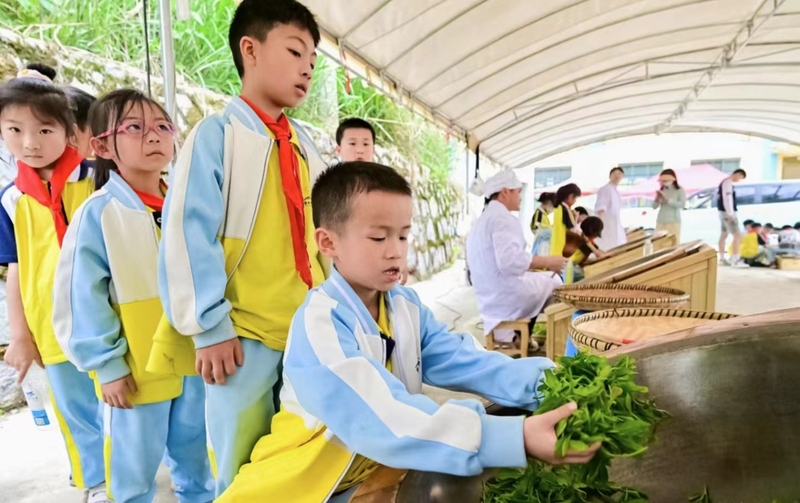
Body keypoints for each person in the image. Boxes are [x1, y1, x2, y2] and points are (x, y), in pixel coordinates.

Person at [218, 162, 599, 502]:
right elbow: (382, 417)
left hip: (374, 467)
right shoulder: (320, 323)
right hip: (309, 485)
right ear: (329, 243)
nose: (395, 252)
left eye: (402, 236)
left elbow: (467, 362)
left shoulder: (404, 306)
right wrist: (512, 437)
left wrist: (555, 385)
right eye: (378, 237)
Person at [157, 1, 328, 496]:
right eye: (295, 52)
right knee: (238, 459)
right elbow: (189, 235)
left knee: (304, 451)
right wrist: (209, 326)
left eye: (312, 62)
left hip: (304, 331)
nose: (306, 69)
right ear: (249, 50)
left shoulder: (304, 147)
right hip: (242, 336)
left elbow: (323, 237)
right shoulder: (218, 136)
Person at [52, 90, 214, 503]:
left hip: (193, 362)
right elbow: (80, 296)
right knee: (133, 468)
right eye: (135, 128)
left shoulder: (186, 203)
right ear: (103, 146)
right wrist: (106, 365)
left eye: (163, 126)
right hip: (136, 370)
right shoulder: (100, 213)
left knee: (199, 458)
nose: (154, 136)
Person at [0, 71, 107, 502]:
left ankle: (133, 473)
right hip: (51, 326)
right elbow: (16, 269)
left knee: (125, 402)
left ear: (69, 131)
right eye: (15, 130)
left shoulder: (100, 179)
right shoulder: (10, 200)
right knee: (76, 411)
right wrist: (21, 336)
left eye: (45, 129)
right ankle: (97, 482)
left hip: (109, 316)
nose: (30, 142)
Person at [466, 170, 566, 345]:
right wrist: (549, 262)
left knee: (539, 280)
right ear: (505, 192)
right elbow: (509, 261)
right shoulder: (502, 218)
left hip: (489, 296)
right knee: (556, 282)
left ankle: (519, 336)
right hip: (504, 296)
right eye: (518, 191)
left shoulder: (483, 219)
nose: (520, 197)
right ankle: (551, 342)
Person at [717, 168, 747, 266]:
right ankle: (735, 258)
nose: (739, 180)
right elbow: (728, 199)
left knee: (724, 234)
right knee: (737, 235)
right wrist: (731, 214)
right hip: (727, 213)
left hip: (722, 212)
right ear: (736, 174)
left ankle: (722, 258)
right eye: (740, 177)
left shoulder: (724, 183)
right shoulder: (727, 183)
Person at [595, 167, 626, 250]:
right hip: (606, 222)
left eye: (619, 174)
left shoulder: (616, 191)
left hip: (615, 221)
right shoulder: (605, 189)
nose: (617, 176)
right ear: (610, 176)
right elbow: (601, 207)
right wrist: (600, 224)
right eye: (614, 174)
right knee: (607, 244)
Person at [652, 168, 686, 240]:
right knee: (659, 244)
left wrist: (669, 200)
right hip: (661, 220)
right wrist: (657, 199)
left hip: (673, 221)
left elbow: (682, 205)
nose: (664, 182)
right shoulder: (662, 190)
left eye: (666, 180)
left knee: (673, 243)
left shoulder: (679, 189)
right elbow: (654, 206)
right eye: (663, 181)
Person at [550, 183, 582, 257]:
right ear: (570, 196)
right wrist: (576, 217)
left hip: (556, 245)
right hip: (563, 245)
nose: (575, 201)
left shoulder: (558, 208)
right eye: (575, 198)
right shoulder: (565, 209)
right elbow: (572, 229)